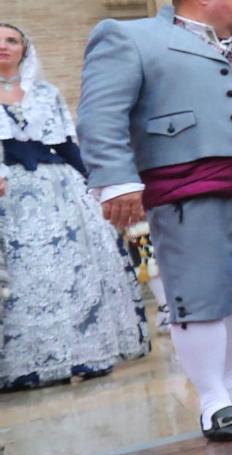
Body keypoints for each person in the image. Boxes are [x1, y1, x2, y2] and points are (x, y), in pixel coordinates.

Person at [75, 0, 232, 440]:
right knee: (198, 296)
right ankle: (213, 400)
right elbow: (100, 113)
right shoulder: (129, 37)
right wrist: (116, 182)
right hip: (187, 190)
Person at [0, 23, 148, 390]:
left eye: (11, 40)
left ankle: (83, 351)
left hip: (59, 192)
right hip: (8, 197)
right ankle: (24, 363)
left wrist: (105, 184)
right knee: (21, 277)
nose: (3, 46)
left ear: (25, 49)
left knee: (72, 272)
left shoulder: (46, 93)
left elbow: (68, 145)